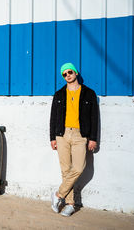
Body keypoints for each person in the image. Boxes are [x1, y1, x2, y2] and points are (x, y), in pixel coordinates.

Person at [49, 63, 99, 217]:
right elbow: (53, 117)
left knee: (78, 167)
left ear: (76, 73)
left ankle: (58, 195)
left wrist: (93, 139)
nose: (67, 75)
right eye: (64, 74)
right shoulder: (59, 94)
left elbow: (94, 117)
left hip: (80, 135)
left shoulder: (89, 93)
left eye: (69, 72)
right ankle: (70, 204)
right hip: (62, 134)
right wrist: (52, 137)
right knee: (65, 169)